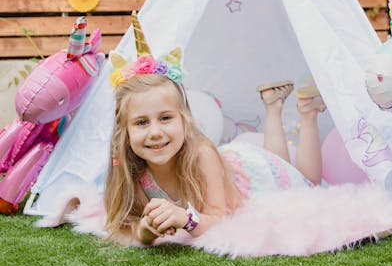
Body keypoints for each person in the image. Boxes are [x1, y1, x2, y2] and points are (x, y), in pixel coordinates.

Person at [104, 61, 327, 246]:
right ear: (125, 132)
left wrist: (186, 219)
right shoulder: (133, 171)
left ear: (185, 120)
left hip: (255, 172)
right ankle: (274, 105)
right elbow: (128, 223)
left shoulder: (201, 155)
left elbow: (220, 221)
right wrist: (145, 231)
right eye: (141, 122)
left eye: (165, 118)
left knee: (306, 183)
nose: (155, 132)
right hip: (232, 164)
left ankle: (307, 113)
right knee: (284, 165)